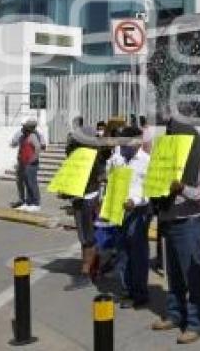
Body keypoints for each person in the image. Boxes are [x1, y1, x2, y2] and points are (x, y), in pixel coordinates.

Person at [151, 119, 200, 345]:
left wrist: (182, 189)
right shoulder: (166, 159)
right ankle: (175, 313)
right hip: (169, 221)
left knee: (192, 275)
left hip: (189, 223)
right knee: (174, 275)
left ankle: (196, 322)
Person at [108, 126, 152, 308]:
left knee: (138, 254)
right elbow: (110, 176)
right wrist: (116, 157)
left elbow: (150, 190)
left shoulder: (146, 161)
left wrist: (135, 201)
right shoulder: (118, 159)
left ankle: (140, 293)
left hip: (138, 212)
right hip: (119, 210)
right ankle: (127, 290)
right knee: (122, 252)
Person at [65, 120, 111, 291]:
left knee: (88, 238)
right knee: (86, 236)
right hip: (81, 197)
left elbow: (101, 175)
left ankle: (86, 272)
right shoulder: (79, 153)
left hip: (89, 198)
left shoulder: (94, 155)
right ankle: (94, 267)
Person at [10, 118, 45, 212]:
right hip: (24, 163)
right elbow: (14, 144)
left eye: (25, 127)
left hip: (31, 164)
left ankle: (36, 203)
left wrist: (34, 158)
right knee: (27, 183)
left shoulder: (33, 136)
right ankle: (29, 202)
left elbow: (38, 147)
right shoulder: (25, 136)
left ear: (29, 128)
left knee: (32, 183)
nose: (23, 129)